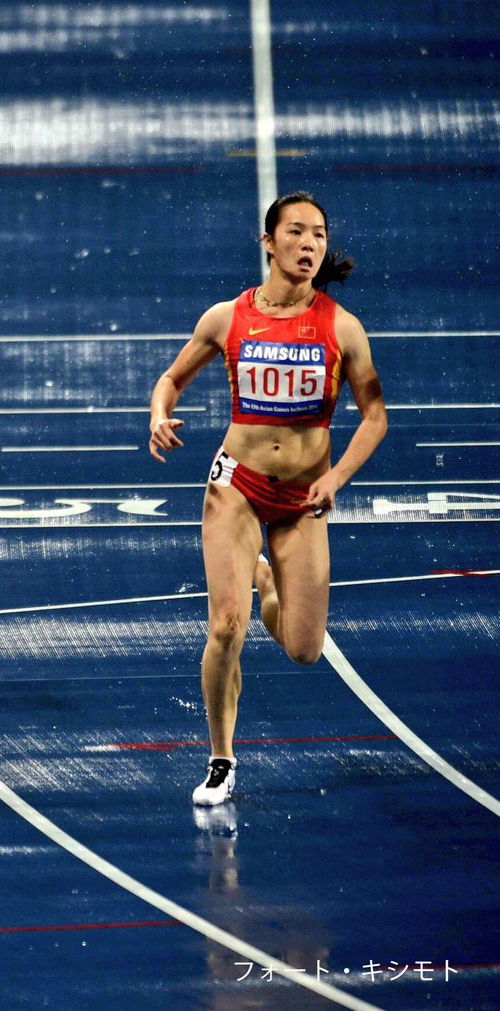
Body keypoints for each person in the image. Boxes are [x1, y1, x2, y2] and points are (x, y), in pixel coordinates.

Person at [148, 192, 387, 806]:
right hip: (237, 489)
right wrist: (158, 414)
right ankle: (222, 759)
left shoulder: (342, 328)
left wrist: (336, 479)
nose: (310, 245)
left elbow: (375, 418)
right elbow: (172, 379)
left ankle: (267, 581)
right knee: (226, 625)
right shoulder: (227, 318)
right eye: (297, 233)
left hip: (304, 501)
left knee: (305, 650)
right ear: (268, 243)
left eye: (319, 235)